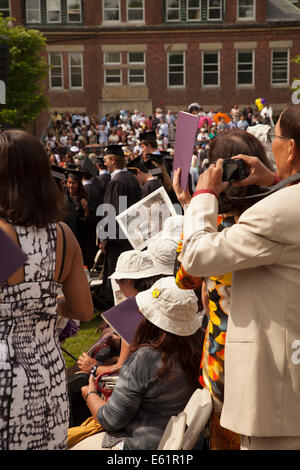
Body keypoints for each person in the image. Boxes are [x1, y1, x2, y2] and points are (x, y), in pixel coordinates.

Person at [178, 104, 300, 450]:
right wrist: (274, 180)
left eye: (275, 137)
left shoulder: (270, 215)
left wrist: (201, 198)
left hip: (274, 385)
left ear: (290, 148)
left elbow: (195, 259)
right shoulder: (277, 204)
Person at [173, 129, 272, 450]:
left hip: (223, 361)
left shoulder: (215, 231)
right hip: (271, 359)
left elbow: (185, 277)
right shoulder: (273, 220)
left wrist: (195, 204)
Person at [0, 129, 93, 450]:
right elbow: (83, 310)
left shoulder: (2, 234)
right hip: (49, 374)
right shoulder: (63, 235)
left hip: (7, 375)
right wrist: (48, 302)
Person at [70, 276, 204, 450]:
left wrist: (90, 394)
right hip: (183, 443)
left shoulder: (147, 357)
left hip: (145, 445)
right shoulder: (200, 346)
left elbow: (111, 420)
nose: (140, 312)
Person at [99, 145, 141, 304]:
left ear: (113, 160)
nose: (104, 163)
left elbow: (110, 212)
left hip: (117, 239)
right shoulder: (131, 178)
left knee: (119, 277)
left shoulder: (116, 182)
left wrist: (104, 238)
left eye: (106, 160)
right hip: (131, 236)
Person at [64, 169, 97, 269]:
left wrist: (86, 208)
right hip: (66, 238)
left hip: (81, 239)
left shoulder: (85, 198)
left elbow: (91, 221)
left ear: (79, 184)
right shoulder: (63, 198)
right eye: (69, 182)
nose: (70, 186)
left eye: (73, 183)